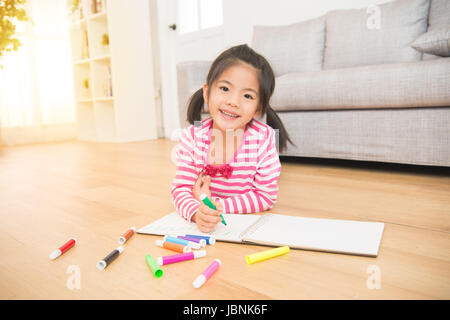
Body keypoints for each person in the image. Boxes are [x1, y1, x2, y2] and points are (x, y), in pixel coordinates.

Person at [171, 44, 292, 233]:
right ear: (207, 92)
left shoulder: (263, 138)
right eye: (225, 88)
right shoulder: (192, 136)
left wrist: (216, 206)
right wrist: (197, 212)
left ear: (258, 108)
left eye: (247, 96)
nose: (233, 102)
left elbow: (265, 196)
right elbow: (181, 190)